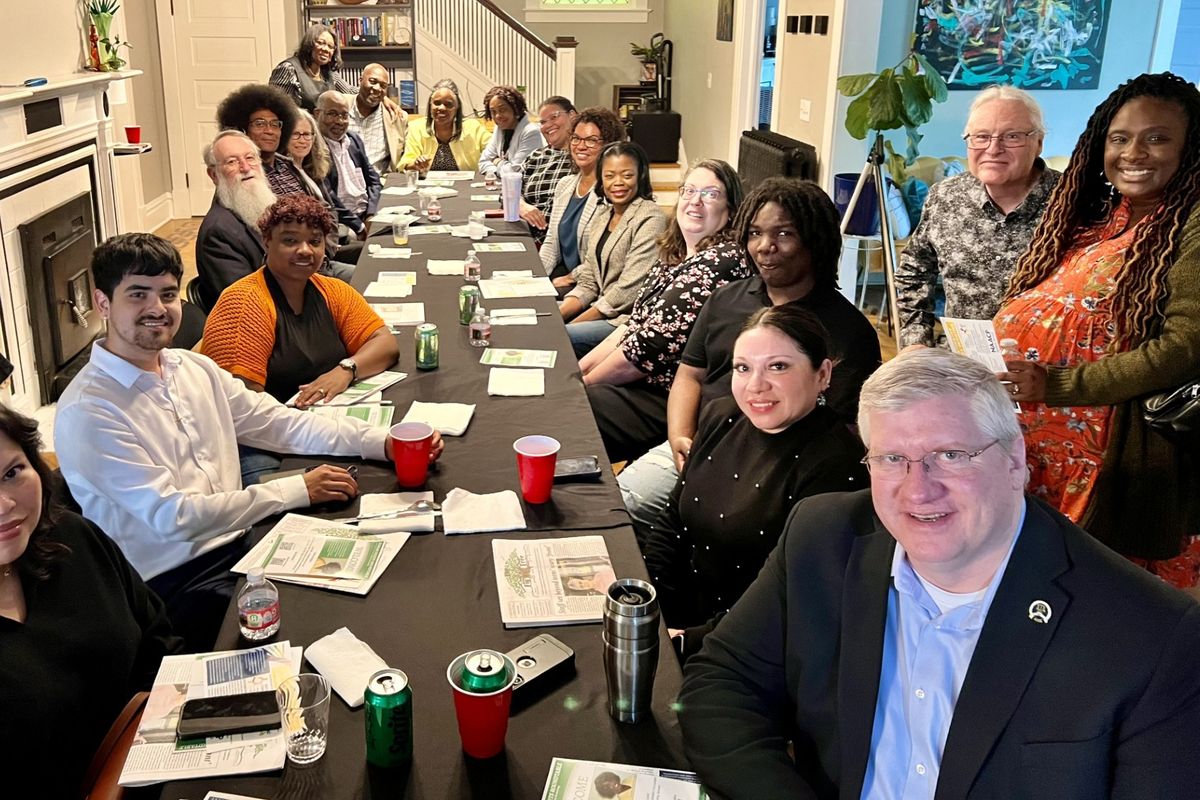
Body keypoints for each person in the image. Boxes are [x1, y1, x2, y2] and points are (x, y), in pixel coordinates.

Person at [678, 349, 1200, 800]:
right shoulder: (824, 538)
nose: (917, 490)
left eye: (951, 456)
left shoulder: (1155, 637)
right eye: (891, 459)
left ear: (1015, 459)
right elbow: (724, 681)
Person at [54, 233, 441, 650]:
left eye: (167, 294)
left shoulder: (193, 368)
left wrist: (380, 442)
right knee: (325, 625)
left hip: (241, 538)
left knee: (384, 567)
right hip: (174, 583)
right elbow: (175, 518)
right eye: (138, 295)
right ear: (103, 303)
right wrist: (295, 489)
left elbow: (279, 423)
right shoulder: (89, 411)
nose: (157, 309)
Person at [995, 72, 1200, 589]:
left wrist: (1056, 384)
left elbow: (1184, 348)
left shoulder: (1191, 224)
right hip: (1033, 455)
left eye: (1157, 137)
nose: (1135, 152)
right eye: (1120, 138)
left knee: (1102, 612)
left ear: (1191, 147)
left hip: (1109, 467)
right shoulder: (1097, 219)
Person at [618, 177, 881, 531]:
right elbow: (690, 375)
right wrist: (681, 436)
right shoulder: (725, 300)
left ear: (815, 242)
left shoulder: (847, 331)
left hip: (778, 470)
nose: (765, 247)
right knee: (619, 506)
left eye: (784, 234)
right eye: (755, 233)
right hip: (700, 445)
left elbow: (840, 433)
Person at [642, 306, 867, 660]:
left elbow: (793, 601)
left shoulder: (838, 468)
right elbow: (674, 522)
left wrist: (686, 641)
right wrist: (646, 603)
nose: (755, 386)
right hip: (678, 618)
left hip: (750, 647)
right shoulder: (720, 415)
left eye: (778, 366)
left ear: (822, 374)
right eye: (743, 368)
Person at [0, 405, 182, 796]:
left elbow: (160, 644)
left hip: (167, 760)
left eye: (12, 473)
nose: (4, 505)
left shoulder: (71, 537)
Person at [584, 159, 751, 463]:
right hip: (642, 379)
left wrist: (584, 384)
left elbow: (647, 347)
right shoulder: (675, 253)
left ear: (730, 210)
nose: (695, 201)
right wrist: (580, 372)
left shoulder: (721, 261)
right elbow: (634, 324)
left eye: (710, 194)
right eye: (689, 191)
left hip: (671, 397)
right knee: (568, 382)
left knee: (574, 409)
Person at [895, 85, 1059, 347]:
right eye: (981, 136)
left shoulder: (1073, 204)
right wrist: (916, 342)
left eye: (1012, 136)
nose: (993, 149)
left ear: (1038, 142)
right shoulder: (946, 197)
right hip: (962, 362)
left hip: (1048, 372)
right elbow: (915, 271)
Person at [202, 194, 398, 407]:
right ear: (266, 241)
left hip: (325, 415)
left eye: (314, 241)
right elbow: (243, 409)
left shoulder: (333, 290)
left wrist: (346, 370)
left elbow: (385, 343)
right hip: (274, 429)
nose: (305, 250)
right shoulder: (243, 303)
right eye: (290, 240)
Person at [560, 141, 667, 357]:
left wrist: (566, 326)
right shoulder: (602, 215)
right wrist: (559, 314)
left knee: (557, 338)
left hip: (625, 320)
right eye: (609, 176)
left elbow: (627, 291)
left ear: (641, 176)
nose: (618, 183)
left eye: (627, 175)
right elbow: (590, 278)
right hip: (599, 307)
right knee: (537, 316)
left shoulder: (651, 218)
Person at [539, 107, 627, 284]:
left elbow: (605, 257)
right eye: (576, 138)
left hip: (591, 284)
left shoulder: (613, 193)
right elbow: (551, 243)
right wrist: (536, 276)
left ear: (609, 144)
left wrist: (568, 279)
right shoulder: (565, 185)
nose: (581, 146)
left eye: (592, 140)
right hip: (562, 274)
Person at [195, 130, 273, 311]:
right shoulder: (218, 232)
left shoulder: (259, 206)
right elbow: (245, 303)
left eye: (250, 158)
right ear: (213, 175)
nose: (245, 168)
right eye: (232, 162)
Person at [216, 84, 308, 201]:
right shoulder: (244, 174)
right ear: (242, 129)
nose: (269, 131)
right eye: (260, 124)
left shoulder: (289, 166)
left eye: (275, 124)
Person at [315, 91, 381, 239]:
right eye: (332, 114)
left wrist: (371, 214)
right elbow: (327, 195)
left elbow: (374, 180)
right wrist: (359, 226)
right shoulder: (314, 148)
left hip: (366, 213)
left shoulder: (353, 139)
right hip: (342, 219)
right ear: (317, 114)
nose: (339, 121)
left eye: (344, 115)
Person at [517, 96, 577, 244]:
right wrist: (521, 206)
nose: (548, 125)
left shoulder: (584, 157)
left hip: (560, 242)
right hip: (523, 234)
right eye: (543, 122)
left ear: (572, 116)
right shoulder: (536, 156)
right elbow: (509, 189)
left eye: (554, 117)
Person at [398, 78, 489, 174]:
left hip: (466, 186)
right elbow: (405, 163)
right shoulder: (416, 127)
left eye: (448, 104)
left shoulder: (473, 128)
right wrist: (415, 165)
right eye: (437, 103)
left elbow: (494, 150)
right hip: (428, 187)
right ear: (430, 105)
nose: (441, 108)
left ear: (457, 108)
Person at [268, 24, 351, 112]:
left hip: (324, 124)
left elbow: (349, 91)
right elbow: (276, 107)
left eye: (330, 46)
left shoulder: (329, 73)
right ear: (309, 43)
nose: (326, 49)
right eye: (320, 43)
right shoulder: (288, 69)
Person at [346, 63, 407, 175]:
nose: (377, 88)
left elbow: (406, 158)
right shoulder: (340, 107)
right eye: (372, 82)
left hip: (379, 183)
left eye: (383, 86)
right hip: (343, 183)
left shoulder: (397, 117)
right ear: (360, 80)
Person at [478, 85, 544, 177]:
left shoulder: (531, 132)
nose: (498, 116)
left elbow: (514, 173)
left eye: (502, 110)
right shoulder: (499, 128)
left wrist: (497, 161)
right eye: (493, 112)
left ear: (515, 109)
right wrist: (497, 170)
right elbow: (483, 162)